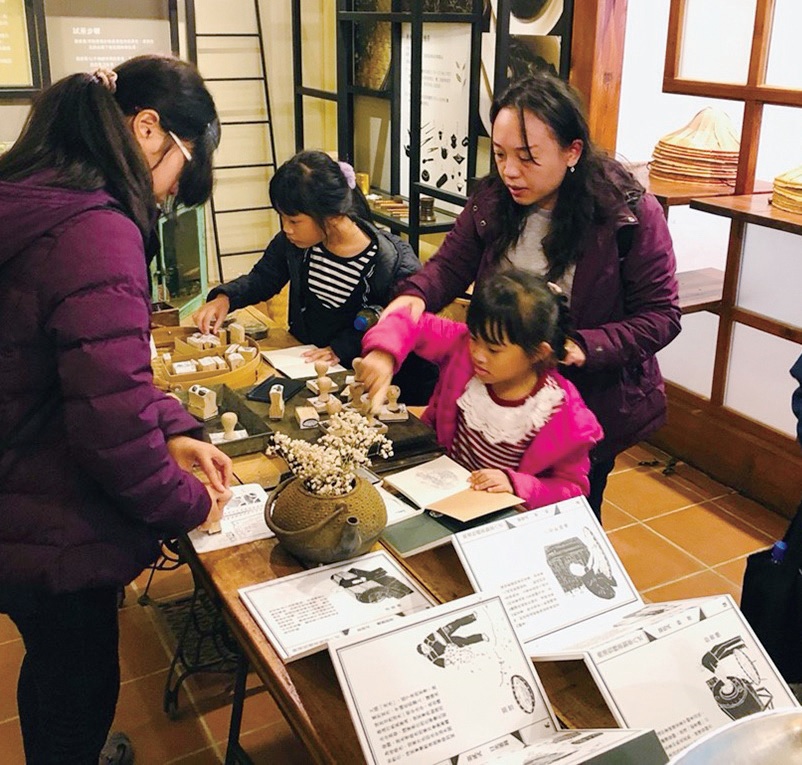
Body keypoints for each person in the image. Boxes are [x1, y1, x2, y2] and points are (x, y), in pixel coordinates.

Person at [0, 56, 232, 765]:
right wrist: (186, 501)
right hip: (49, 520)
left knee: (49, 668)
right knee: (78, 688)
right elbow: (108, 428)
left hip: (18, 499)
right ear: (148, 129)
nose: (166, 199)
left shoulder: (28, 193)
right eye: (180, 177)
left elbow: (84, 377)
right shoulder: (95, 228)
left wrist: (173, 428)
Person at [363, 71, 681, 517]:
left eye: (528, 157)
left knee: (563, 519)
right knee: (479, 507)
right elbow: (445, 271)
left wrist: (579, 346)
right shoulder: (494, 200)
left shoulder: (627, 213)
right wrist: (400, 320)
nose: (509, 171)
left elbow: (661, 315)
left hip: (585, 403)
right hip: (499, 393)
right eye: (499, 154)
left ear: (572, 151)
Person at [193, 149, 438, 402]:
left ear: (331, 216)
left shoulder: (392, 261)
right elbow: (263, 278)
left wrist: (340, 349)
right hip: (310, 370)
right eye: (282, 219)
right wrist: (225, 298)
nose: (286, 228)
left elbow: (398, 323)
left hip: (381, 388)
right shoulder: (298, 245)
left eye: (294, 221)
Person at [361, 268, 603, 509]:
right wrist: (384, 353)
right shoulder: (463, 347)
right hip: (438, 487)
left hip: (495, 518)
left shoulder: (561, 413)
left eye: (494, 350)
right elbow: (409, 319)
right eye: (475, 339)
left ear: (538, 353)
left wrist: (518, 484)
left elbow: (572, 489)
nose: (478, 354)